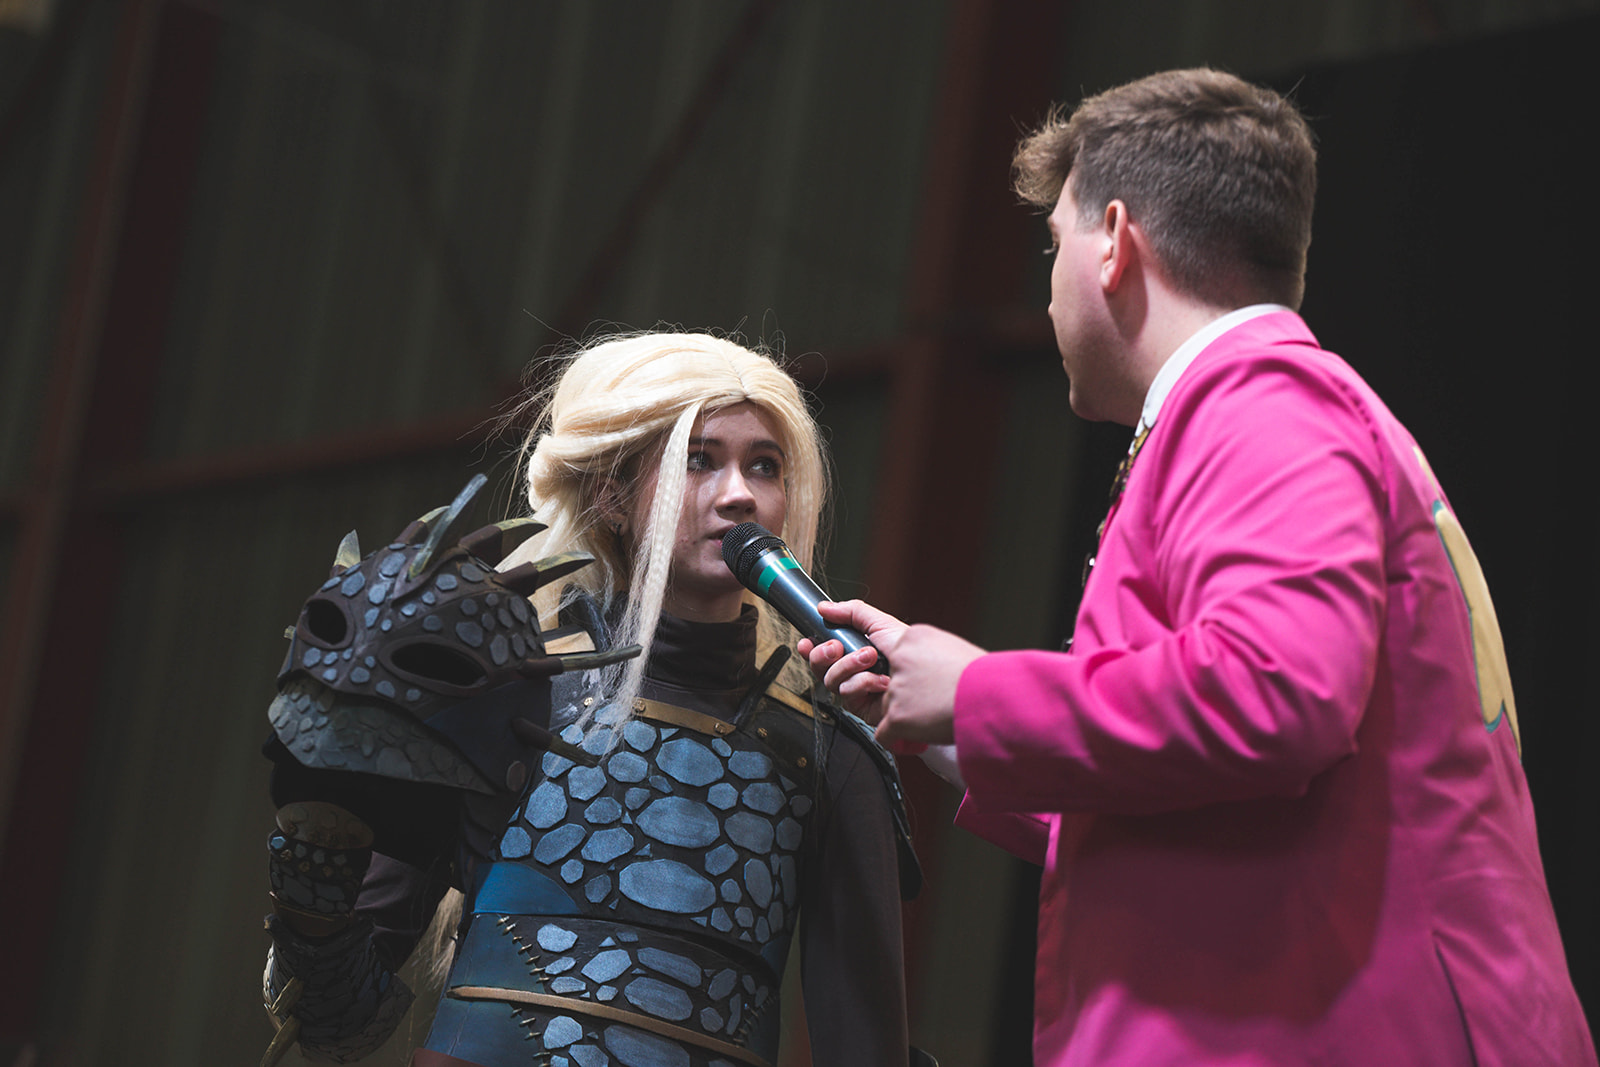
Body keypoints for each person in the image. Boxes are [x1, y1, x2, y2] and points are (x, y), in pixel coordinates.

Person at [802, 68, 1595, 1065]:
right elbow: (1222, 781)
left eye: (1053, 245)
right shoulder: (1280, 405)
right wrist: (957, 724)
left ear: (1113, 242)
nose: (1046, 289)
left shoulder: (1260, 401)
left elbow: (1276, 688)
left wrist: (982, 692)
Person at [259, 332, 923, 1067]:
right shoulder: (495, 698)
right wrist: (313, 891)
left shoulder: (830, 757)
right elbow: (336, 1022)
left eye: (764, 465)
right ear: (610, 494)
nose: (740, 493)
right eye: (698, 458)